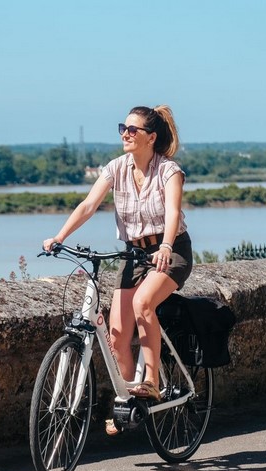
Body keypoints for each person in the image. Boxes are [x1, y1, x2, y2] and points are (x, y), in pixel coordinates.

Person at [42, 105, 192, 436]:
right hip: (134, 252)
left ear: (151, 137)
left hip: (171, 251)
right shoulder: (116, 168)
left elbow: (172, 212)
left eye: (133, 130)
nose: (126, 133)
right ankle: (128, 399)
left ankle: (151, 380)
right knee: (117, 334)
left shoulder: (169, 171)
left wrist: (166, 246)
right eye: (123, 128)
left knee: (143, 303)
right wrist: (59, 237)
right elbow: (88, 206)